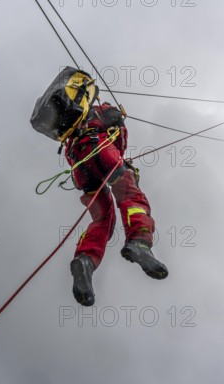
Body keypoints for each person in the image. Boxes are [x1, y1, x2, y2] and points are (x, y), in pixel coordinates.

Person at [64, 101, 168, 306]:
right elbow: (116, 135)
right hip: (101, 150)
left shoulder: (73, 128)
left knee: (103, 219)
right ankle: (139, 242)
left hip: (81, 169)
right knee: (131, 195)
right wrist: (119, 121)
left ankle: (86, 261)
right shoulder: (101, 110)